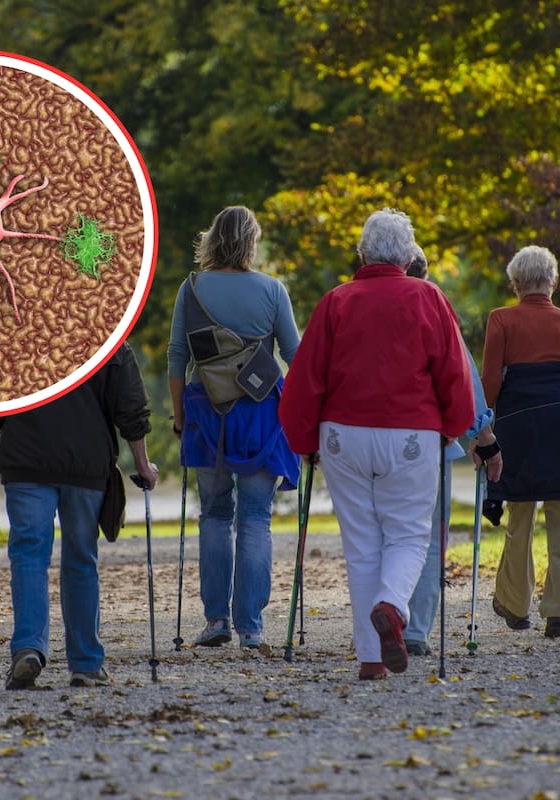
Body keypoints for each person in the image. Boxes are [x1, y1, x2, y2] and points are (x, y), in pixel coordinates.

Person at [279, 208, 474, 680]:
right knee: (408, 534)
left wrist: (304, 440)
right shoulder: (429, 297)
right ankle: (392, 605)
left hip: (344, 434)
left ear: (362, 253)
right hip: (410, 432)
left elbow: (306, 378)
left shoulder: (336, 301)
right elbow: (454, 373)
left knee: (361, 542)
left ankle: (371, 659)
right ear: (409, 255)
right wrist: (453, 426)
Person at [0, 341, 159, 689]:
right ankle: (87, 664)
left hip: (26, 458)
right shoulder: (109, 337)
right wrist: (142, 463)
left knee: (29, 553)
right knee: (80, 558)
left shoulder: (16, 332)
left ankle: (29, 648)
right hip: (86, 462)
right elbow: (131, 407)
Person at [167, 206, 300, 650]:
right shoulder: (272, 290)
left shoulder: (192, 290)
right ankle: (251, 627)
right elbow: (295, 357)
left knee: (214, 513)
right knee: (256, 517)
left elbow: (176, 358)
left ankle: (215, 620)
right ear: (251, 242)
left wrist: (180, 417)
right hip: (261, 413)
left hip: (207, 411)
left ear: (211, 239)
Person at [481, 245, 560, 639]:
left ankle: (515, 604)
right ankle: (559, 615)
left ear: (515, 283)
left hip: (520, 430)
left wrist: (484, 427)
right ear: (553, 282)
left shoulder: (500, 319)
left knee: (519, 517)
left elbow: (490, 384)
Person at [402, 245, 502, 657]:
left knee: (383, 535)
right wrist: (486, 441)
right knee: (428, 537)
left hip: (369, 440)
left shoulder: (357, 305)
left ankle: (383, 619)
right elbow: (464, 380)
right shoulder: (435, 308)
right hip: (432, 442)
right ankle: (416, 629)